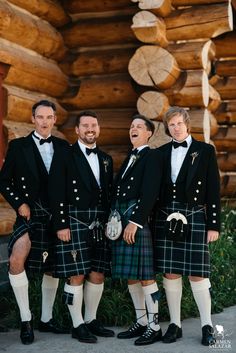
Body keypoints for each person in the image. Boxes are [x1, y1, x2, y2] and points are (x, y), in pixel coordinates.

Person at [0, 100, 69, 344]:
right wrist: (19, 203)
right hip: (29, 214)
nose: (44, 121)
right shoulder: (18, 146)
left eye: (48, 117)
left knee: (53, 266)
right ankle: (25, 319)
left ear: (54, 119)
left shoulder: (63, 146)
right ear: (33, 119)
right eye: (40, 117)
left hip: (55, 215)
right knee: (17, 258)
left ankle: (47, 319)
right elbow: (4, 180)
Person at [154, 106, 221, 346]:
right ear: (167, 128)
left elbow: (213, 189)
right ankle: (175, 324)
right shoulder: (160, 152)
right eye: (171, 125)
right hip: (166, 216)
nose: (176, 128)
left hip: (194, 216)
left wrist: (214, 225)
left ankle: (207, 325)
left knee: (198, 274)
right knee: (170, 272)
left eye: (179, 123)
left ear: (187, 124)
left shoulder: (204, 151)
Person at [49, 110, 114, 344]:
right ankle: (77, 324)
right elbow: (56, 191)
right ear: (76, 130)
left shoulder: (106, 159)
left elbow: (107, 195)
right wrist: (61, 224)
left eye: (94, 125)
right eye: (85, 125)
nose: (90, 129)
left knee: (97, 272)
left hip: (99, 222)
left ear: (98, 129)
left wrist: (111, 223)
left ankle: (91, 319)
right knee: (75, 274)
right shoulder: (65, 155)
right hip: (74, 221)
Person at [110, 114, 163, 346]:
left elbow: (150, 191)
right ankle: (141, 321)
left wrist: (136, 221)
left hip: (135, 220)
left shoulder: (152, 156)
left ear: (149, 133)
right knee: (132, 277)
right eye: (132, 126)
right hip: (122, 218)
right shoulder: (130, 157)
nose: (134, 129)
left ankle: (155, 326)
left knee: (145, 276)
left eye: (139, 126)